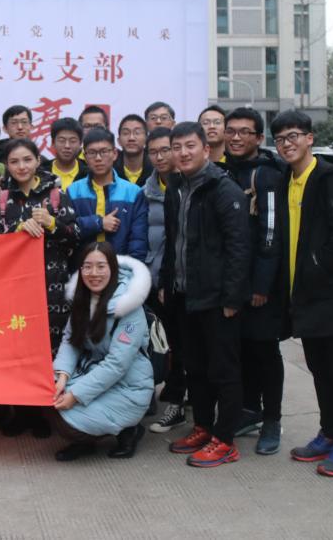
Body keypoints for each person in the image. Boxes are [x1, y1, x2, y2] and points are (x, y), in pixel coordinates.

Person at [272, 110, 333, 477]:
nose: (287, 144)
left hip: (332, 294)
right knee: (319, 368)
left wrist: (314, 266)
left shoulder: (328, 176)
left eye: (293, 136)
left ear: (310, 138)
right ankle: (329, 433)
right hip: (304, 296)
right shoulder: (286, 179)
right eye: (280, 139)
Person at [158, 122, 250, 467]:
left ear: (206, 149)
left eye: (190, 146)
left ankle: (225, 440)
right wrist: (167, 282)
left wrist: (232, 298)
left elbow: (239, 248)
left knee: (223, 370)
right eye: (177, 147)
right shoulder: (176, 187)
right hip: (185, 294)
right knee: (195, 367)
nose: (183, 153)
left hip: (217, 298)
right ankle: (204, 427)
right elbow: (173, 242)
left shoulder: (224, 190)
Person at [0, 138, 80, 439]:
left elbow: (76, 235)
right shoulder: (1, 197)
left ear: (37, 161)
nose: (21, 166)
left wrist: (53, 224)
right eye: (14, 161)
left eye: (27, 160)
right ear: (7, 165)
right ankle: (23, 413)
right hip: (14, 287)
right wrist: (16, 231)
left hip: (52, 285)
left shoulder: (56, 193)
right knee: (18, 348)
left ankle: (49, 413)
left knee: (51, 348)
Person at [223, 107, 288, 455]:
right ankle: (250, 411)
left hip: (260, 285)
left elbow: (271, 232)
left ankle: (273, 419)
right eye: (231, 131)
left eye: (244, 132)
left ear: (259, 138)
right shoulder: (226, 171)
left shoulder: (266, 175)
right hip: (233, 281)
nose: (236, 137)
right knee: (242, 349)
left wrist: (262, 284)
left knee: (265, 351)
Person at [52, 243, 154, 461]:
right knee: (47, 396)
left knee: (65, 420)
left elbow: (117, 364)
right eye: (87, 267)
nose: (94, 273)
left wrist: (75, 395)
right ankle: (85, 441)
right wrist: (62, 377)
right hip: (92, 373)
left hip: (128, 386)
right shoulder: (82, 299)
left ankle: (129, 430)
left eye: (101, 266)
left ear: (113, 268)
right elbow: (70, 342)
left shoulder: (129, 307)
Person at [142, 127, 188, 434]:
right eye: (154, 152)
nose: (160, 157)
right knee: (159, 344)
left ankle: (177, 404)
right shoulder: (144, 189)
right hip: (152, 277)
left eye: (165, 150)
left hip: (177, 280)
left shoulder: (185, 186)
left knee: (181, 346)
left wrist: (166, 282)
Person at [66, 128, 148, 261]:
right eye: (92, 153)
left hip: (122, 267)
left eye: (104, 152)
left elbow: (138, 240)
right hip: (82, 267)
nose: (98, 158)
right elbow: (67, 230)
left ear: (114, 154)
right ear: (85, 157)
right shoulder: (73, 191)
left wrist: (131, 269)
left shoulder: (133, 192)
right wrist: (98, 223)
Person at [38, 118, 86, 191]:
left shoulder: (89, 174)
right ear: (53, 143)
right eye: (62, 140)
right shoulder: (41, 173)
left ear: (80, 144)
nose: (67, 146)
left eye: (73, 141)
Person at [115, 114, 152, 187]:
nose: (131, 138)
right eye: (126, 133)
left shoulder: (155, 168)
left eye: (137, 133)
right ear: (119, 141)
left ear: (146, 139)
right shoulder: (110, 170)